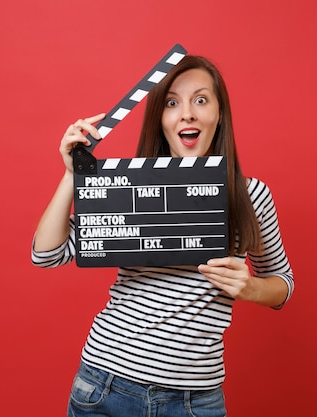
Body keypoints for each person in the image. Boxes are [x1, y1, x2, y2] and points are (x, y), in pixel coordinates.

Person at [32, 55, 294, 417]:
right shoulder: (124, 187)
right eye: (172, 102)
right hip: (105, 384)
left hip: (194, 400)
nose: (187, 113)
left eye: (200, 100)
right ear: (160, 119)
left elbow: (282, 283)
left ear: (219, 114)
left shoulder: (250, 196)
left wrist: (249, 288)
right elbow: (47, 254)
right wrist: (71, 175)